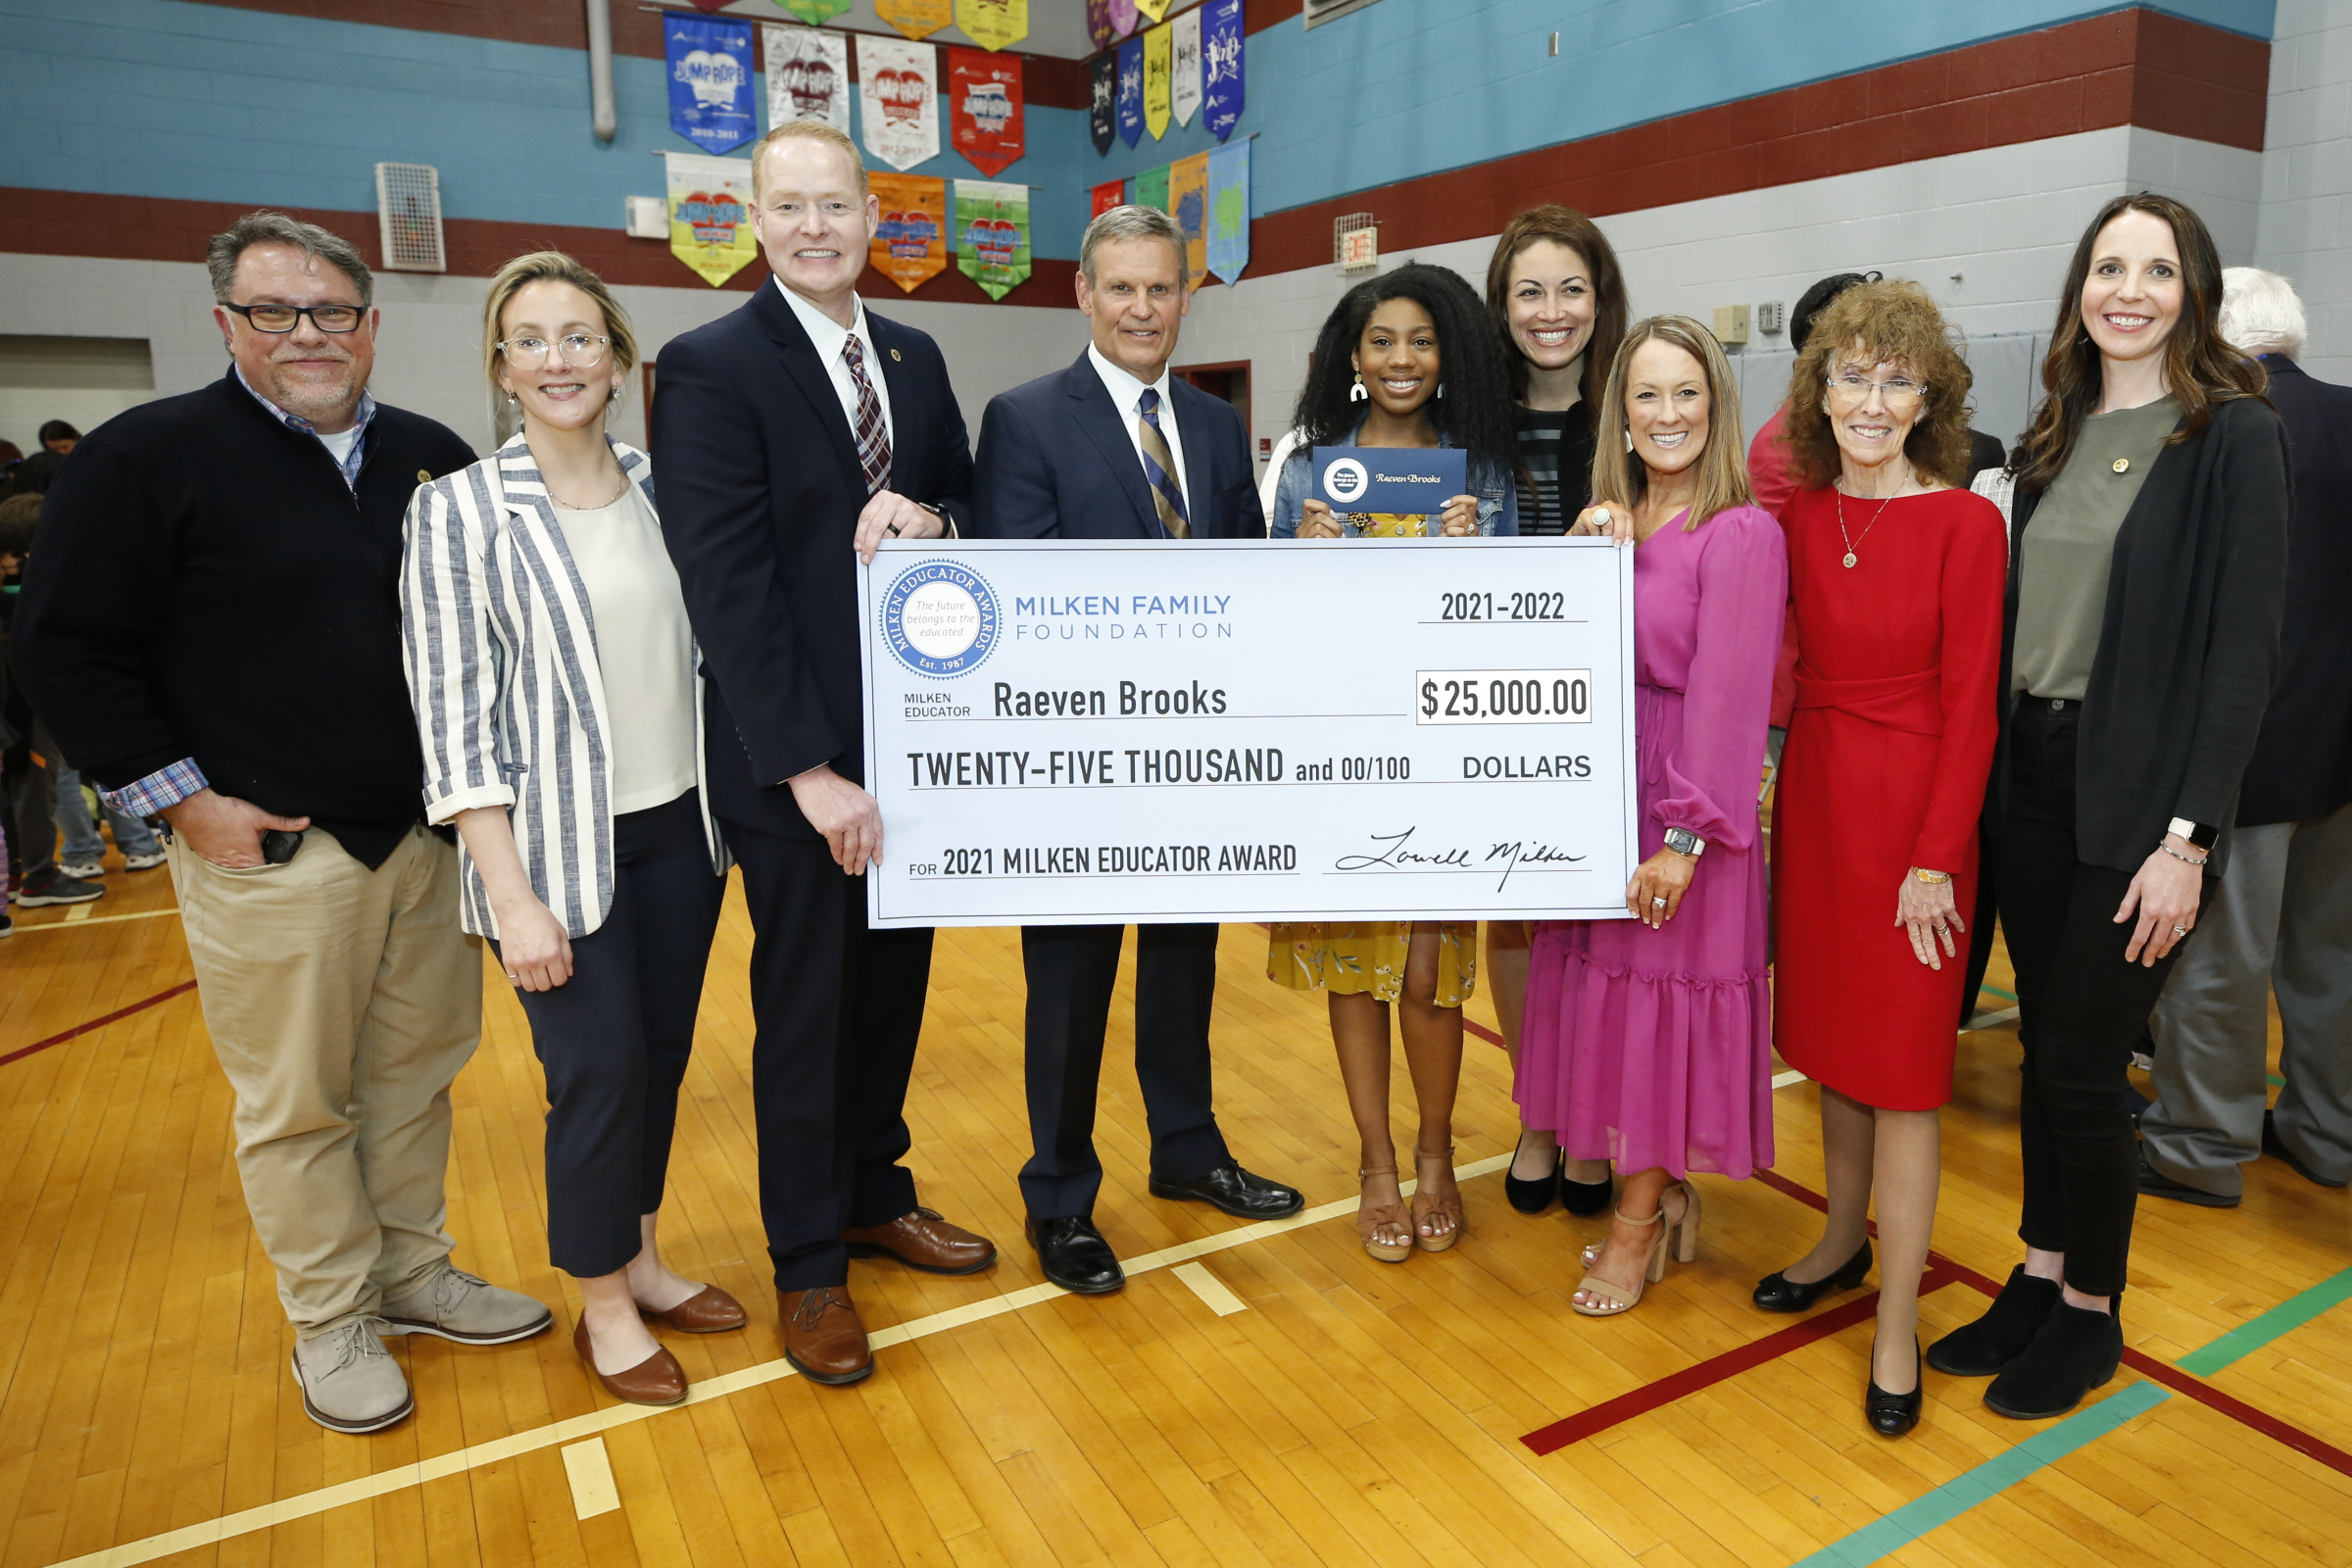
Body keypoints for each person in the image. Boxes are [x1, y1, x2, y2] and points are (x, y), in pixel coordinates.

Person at [11, 212, 551, 1436]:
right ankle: (332, 1317)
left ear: (369, 326)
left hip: (425, 843)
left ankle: (412, 1276)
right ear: (226, 324)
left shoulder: (431, 456)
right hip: (271, 852)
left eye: (330, 312)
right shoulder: (146, 456)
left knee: (415, 1084)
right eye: (274, 311)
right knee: (299, 1105)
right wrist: (182, 801)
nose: (306, 334)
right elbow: (65, 647)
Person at [1924, 194, 2288, 1419]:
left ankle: (2093, 1308)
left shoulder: (2231, 436)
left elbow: (2241, 662)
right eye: (2107, 265)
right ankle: (2037, 1271)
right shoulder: (2053, 437)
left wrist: (2191, 841)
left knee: (2084, 1061)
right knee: (2042, 1051)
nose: (2128, 288)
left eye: (2158, 268)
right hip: (2031, 780)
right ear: (2081, 284)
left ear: (2194, 292)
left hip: (2143, 805)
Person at [651, 121, 994, 1389]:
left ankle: (871, 1191)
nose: (813, 225)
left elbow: (970, 503)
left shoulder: (911, 352)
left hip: (919, 751)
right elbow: (725, 586)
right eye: (788, 205)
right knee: (805, 1010)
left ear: (871, 216)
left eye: (835, 204)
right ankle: (807, 1265)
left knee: (894, 991)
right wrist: (808, 773)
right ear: (753, 218)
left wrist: (934, 510)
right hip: (795, 768)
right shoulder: (708, 367)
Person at [403, 252, 745, 1409]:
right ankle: (603, 1301)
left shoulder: (661, 485)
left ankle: (642, 1256)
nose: (558, 359)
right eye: (531, 339)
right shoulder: (456, 510)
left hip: (676, 836)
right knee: (593, 1073)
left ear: (617, 357)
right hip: (548, 856)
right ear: (501, 368)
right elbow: (451, 722)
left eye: (580, 337)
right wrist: (508, 894)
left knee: (656, 1061)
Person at [970, 206, 1303, 1296]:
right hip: (1079, 764)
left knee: (1182, 960)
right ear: (1083, 292)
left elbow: (1252, 589)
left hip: (1197, 758)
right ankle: (1059, 1193)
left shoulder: (1212, 427)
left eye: (1161, 289)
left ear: (1184, 297)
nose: (1142, 308)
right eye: (1122, 288)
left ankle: (1187, 1148)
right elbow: (1027, 600)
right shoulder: (1022, 420)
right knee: (1067, 982)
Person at [1751, 280, 2006, 1436]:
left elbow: (1973, 711)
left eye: (1896, 378)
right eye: (1851, 374)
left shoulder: (1964, 522)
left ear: (1929, 399)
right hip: (1816, 806)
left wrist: (1936, 859)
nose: (1871, 398)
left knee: (1902, 1079)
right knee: (1833, 1050)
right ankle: (1838, 1238)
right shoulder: (1797, 515)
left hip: (1915, 825)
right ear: (1817, 389)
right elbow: (1774, 664)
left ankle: (1897, 1318)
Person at [1519, 316, 1786, 1316]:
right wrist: (1576, 559)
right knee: (1612, 1007)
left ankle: (1636, 1223)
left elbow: (1730, 697)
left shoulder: (1742, 531)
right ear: (1619, 414)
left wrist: (1682, 840)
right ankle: (1656, 1194)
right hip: (1600, 794)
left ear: (1714, 408)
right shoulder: (1610, 519)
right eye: (1647, 395)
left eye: (1686, 393)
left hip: (1685, 803)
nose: (1667, 414)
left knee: (1657, 1010)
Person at [1262, 261, 1519, 1262]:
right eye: (1382, 342)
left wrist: (1475, 557)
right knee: (1356, 972)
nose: (1402, 358)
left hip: (1443, 760)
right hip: (1337, 755)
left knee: (1427, 970)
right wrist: (1301, 558)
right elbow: (1270, 633)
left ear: (1445, 353)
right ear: (1354, 359)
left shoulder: (1481, 473)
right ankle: (1375, 1162)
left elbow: (1514, 631)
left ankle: (1436, 1153)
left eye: (1419, 340)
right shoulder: (1306, 472)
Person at [2134, 268, 2352, 1204]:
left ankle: (2197, 1144)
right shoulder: (2346, 415)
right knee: (2330, 958)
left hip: (2249, 750)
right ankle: (2329, 1133)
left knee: (2220, 962)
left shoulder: (2226, 431)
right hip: (2342, 749)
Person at [1483, 205, 1632, 1219]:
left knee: (1598, 922)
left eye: (1570, 288)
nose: (1551, 311)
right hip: (1488, 707)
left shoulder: (1640, 409)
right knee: (1512, 914)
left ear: (1600, 299)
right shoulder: (1465, 417)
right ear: (1501, 305)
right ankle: (1537, 1111)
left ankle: (1594, 1123)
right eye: (1529, 290)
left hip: (1609, 709)